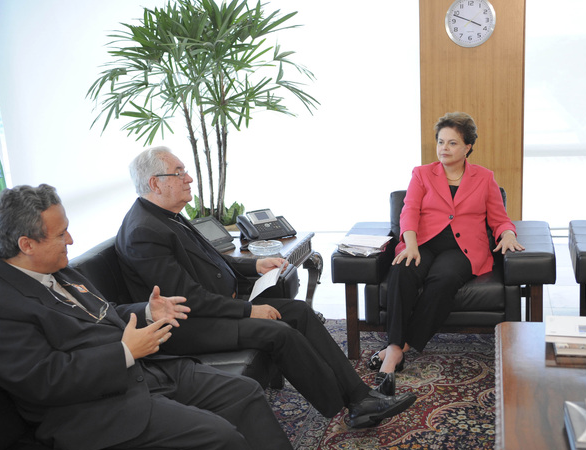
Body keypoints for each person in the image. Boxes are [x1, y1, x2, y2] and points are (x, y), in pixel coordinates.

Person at [0, 184, 374, 450]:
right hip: (88, 411)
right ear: (26, 245)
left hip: (138, 372)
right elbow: (43, 381)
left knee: (244, 394)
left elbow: (102, 313)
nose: (72, 241)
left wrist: (147, 312)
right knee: (217, 435)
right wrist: (125, 352)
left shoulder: (53, 271)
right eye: (61, 234)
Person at [115, 146, 416, 426]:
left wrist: (254, 264)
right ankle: (345, 407)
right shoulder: (144, 231)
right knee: (280, 332)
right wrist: (248, 310)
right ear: (155, 183)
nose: (189, 178)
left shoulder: (168, 217)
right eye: (179, 172)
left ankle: (360, 396)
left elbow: (210, 261)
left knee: (298, 312)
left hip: (207, 311)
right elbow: (186, 299)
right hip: (185, 327)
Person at [368, 112, 525, 393]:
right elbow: (410, 211)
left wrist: (509, 234)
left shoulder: (484, 177)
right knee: (402, 271)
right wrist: (411, 244)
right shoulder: (422, 173)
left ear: (468, 147)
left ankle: (398, 348)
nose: (444, 148)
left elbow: (499, 218)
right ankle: (394, 346)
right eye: (441, 142)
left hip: (463, 249)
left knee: (443, 279)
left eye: (452, 143)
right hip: (423, 242)